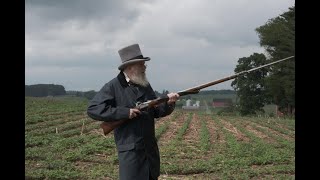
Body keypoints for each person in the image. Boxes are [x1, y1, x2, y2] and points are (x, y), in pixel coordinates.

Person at [87, 43, 180, 180]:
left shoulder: (144, 84)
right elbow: (93, 109)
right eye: (142, 64)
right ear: (130, 67)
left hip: (150, 153)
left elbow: (156, 111)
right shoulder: (113, 86)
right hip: (131, 155)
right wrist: (125, 113)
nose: (145, 67)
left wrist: (169, 103)